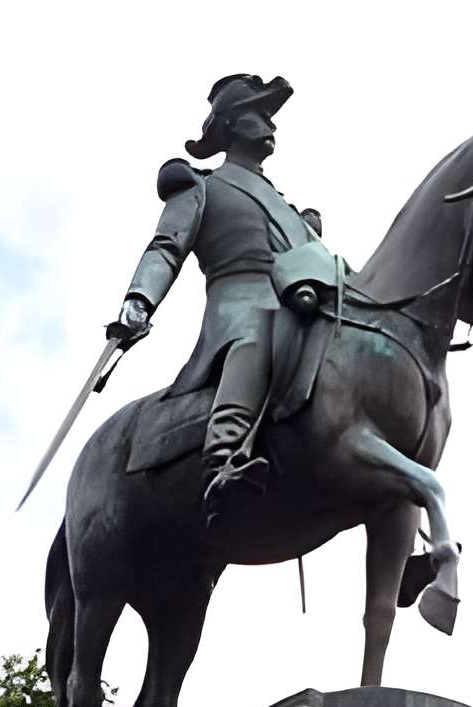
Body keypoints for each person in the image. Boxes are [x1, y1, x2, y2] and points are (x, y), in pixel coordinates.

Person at [109, 74, 336, 504]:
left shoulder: (290, 210)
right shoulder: (202, 187)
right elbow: (166, 247)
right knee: (258, 335)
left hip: (302, 301)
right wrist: (139, 300)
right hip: (240, 303)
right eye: (260, 115)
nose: (271, 125)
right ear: (231, 124)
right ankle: (224, 456)